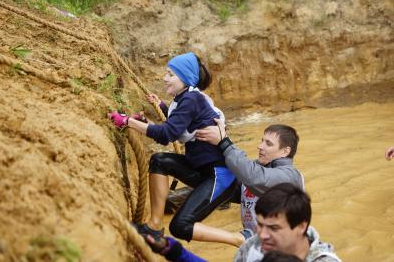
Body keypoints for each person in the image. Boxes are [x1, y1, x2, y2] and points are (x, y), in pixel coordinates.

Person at [109, 52, 237, 248]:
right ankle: (154, 226)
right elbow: (180, 120)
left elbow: (167, 134)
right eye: (166, 74)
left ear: (185, 78)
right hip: (202, 170)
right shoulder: (186, 97)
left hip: (220, 175)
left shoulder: (192, 99)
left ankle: (239, 239)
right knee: (159, 160)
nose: (164, 78)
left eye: (170, 74)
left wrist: (129, 122)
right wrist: (159, 107)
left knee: (180, 226)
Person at [147, 183, 341, 262]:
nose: (262, 234)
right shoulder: (254, 246)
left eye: (273, 228)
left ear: (301, 226)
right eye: (261, 224)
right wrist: (173, 251)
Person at [191, 123, 304, 247]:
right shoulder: (256, 168)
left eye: (268, 143)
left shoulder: (290, 176)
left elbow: (255, 177)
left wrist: (224, 142)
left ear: (285, 151)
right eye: (262, 141)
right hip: (255, 242)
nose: (260, 146)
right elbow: (236, 173)